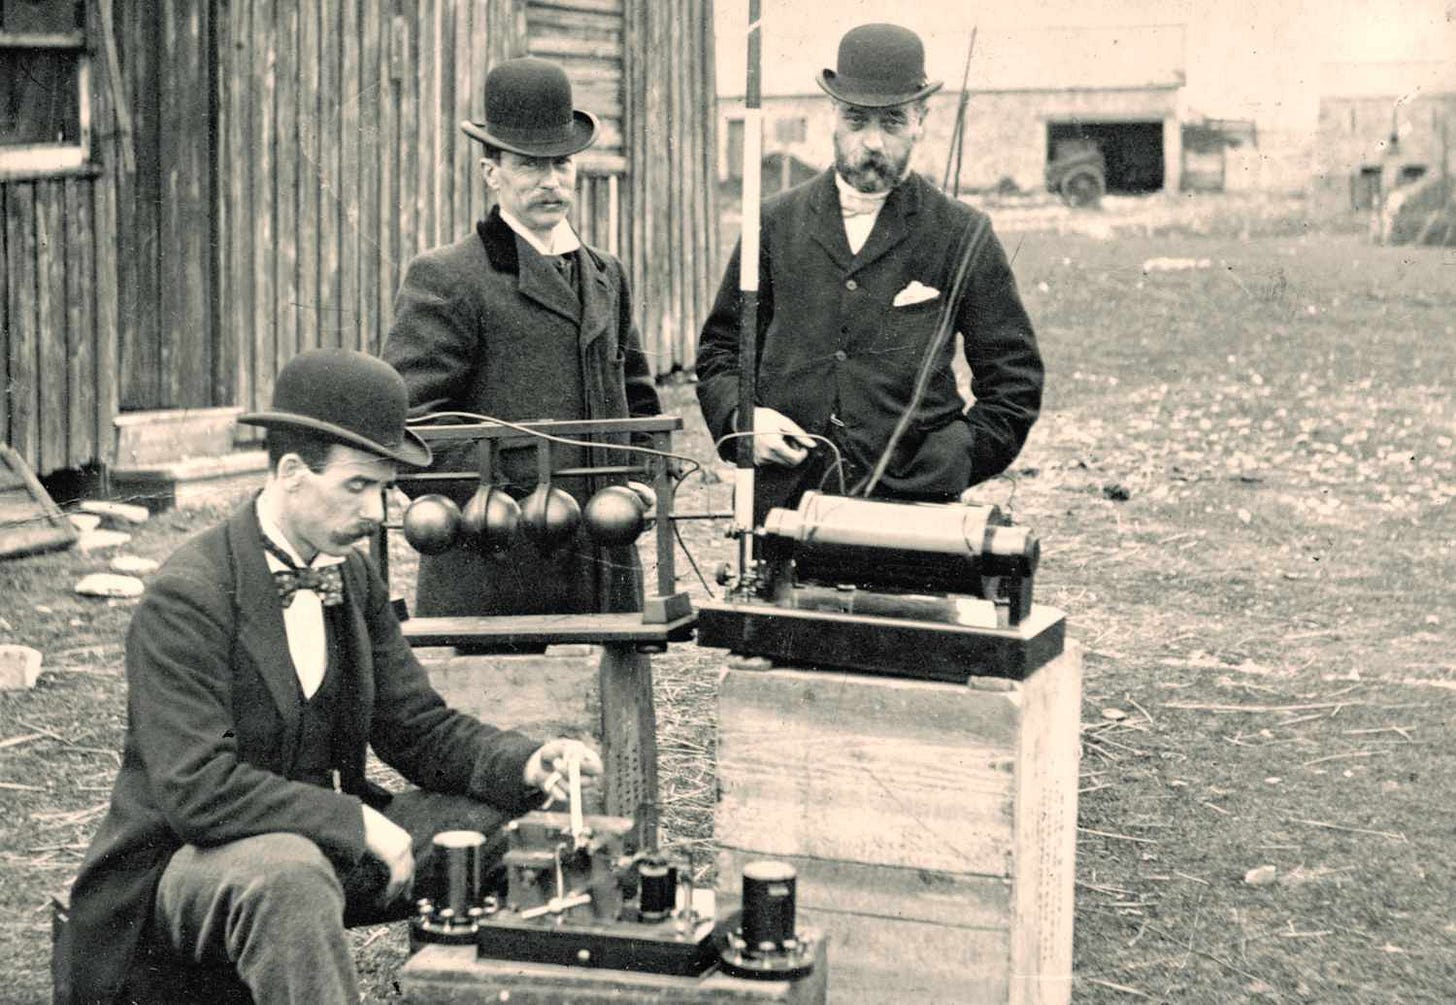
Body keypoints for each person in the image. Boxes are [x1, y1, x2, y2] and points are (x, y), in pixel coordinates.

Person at [55, 349, 603, 1005]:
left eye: (384, 486)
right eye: (358, 485)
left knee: (495, 821)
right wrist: (357, 823)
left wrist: (528, 762)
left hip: (316, 852)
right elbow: (196, 790)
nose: (378, 509)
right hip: (181, 869)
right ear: (291, 473)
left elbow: (416, 727)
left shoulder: (349, 574)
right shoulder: (187, 595)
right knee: (289, 874)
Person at [696, 23, 1044, 521]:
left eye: (893, 122)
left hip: (914, 513)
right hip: (784, 506)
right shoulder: (771, 222)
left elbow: (1014, 379)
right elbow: (720, 352)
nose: (873, 142)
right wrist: (743, 419)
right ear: (831, 117)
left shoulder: (962, 232)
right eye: (857, 121)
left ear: (921, 119)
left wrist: (954, 458)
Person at [383, 57, 660, 621]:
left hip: (604, 564)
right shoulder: (450, 276)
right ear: (493, 174)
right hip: (497, 569)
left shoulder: (606, 272)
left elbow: (640, 400)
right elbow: (410, 424)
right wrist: (507, 498)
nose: (550, 181)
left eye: (561, 164)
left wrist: (641, 481)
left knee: (609, 707)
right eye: (531, 165)